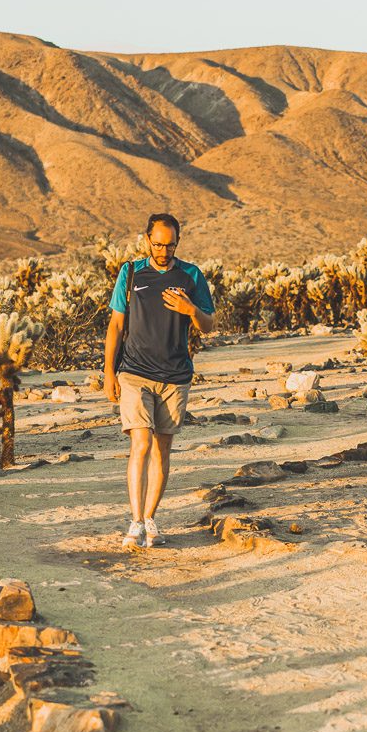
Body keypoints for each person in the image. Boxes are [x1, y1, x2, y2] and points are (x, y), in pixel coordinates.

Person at [104, 213, 215, 548]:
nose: (163, 250)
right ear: (147, 238)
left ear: (178, 242)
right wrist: (109, 371)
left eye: (170, 245)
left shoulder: (191, 275)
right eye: (158, 243)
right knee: (140, 444)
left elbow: (208, 325)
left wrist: (190, 309)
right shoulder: (131, 272)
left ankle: (150, 517)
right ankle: (135, 522)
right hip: (135, 371)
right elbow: (116, 326)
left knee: (162, 450)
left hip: (175, 376)